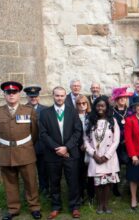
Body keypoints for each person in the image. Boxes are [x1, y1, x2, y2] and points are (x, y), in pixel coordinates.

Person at [0, 81, 42, 220]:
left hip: (25, 151)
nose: (11, 95)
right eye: (8, 93)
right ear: (4, 95)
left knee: (31, 182)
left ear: (19, 94)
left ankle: (34, 207)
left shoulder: (29, 111)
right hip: (5, 152)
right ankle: (13, 209)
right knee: (10, 183)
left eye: (14, 92)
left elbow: (34, 133)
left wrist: (25, 145)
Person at [39, 86, 83, 219]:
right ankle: (55, 206)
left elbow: (77, 131)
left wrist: (67, 148)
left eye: (62, 95)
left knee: (73, 181)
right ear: (53, 96)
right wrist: (57, 148)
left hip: (70, 153)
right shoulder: (45, 113)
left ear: (65, 96)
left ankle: (74, 206)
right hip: (53, 154)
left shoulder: (72, 112)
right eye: (57, 95)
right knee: (54, 181)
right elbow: (43, 134)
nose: (59, 98)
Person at [84, 96, 120, 214]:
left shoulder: (112, 121)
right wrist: (94, 155)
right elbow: (85, 140)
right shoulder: (90, 121)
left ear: (106, 107)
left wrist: (106, 156)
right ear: (95, 107)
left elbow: (116, 140)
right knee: (98, 182)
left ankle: (106, 204)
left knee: (107, 183)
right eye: (98, 106)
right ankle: (99, 205)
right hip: (95, 156)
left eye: (103, 106)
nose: (100, 108)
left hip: (108, 157)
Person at [24, 85, 49, 196]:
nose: (33, 98)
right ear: (27, 97)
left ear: (39, 97)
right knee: (28, 172)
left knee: (43, 169)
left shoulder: (46, 110)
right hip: (27, 146)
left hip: (43, 146)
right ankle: (30, 192)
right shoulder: (21, 110)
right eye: (31, 96)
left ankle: (44, 189)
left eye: (35, 96)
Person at [111, 87, 134, 196]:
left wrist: (128, 140)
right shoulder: (110, 112)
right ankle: (115, 188)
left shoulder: (131, 111)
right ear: (116, 99)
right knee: (116, 166)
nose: (122, 99)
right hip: (114, 144)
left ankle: (130, 188)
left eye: (124, 97)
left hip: (129, 143)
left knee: (130, 166)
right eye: (120, 97)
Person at [75, 95, 94, 204]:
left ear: (87, 104)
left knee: (91, 171)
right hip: (78, 148)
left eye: (84, 103)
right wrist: (80, 144)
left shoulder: (91, 116)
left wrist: (88, 145)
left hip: (90, 147)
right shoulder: (73, 116)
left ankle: (91, 195)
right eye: (79, 103)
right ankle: (81, 195)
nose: (82, 105)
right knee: (80, 172)